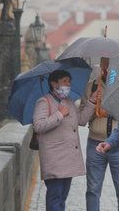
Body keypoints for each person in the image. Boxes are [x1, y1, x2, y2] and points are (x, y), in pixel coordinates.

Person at [33, 70, 99, 211]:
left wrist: (92, 101)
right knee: (55, 197)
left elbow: (81, 120)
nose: (68, 85)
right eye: (64, 81)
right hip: (54, 159)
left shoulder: (68, 102)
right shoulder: (44, 101)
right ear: (53, 83)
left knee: (62, 197)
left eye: (69, 82)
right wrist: (59, 114)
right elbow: (38, 125)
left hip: (68, 160)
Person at [80, 58, 119, 211]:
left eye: (110, 63)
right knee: (93, 190)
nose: (107, 67)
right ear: (101, 65)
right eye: (104, 63)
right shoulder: (91, 87)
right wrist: (93, 102)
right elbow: (82, 119)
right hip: (95, 142)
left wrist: (111, 107)